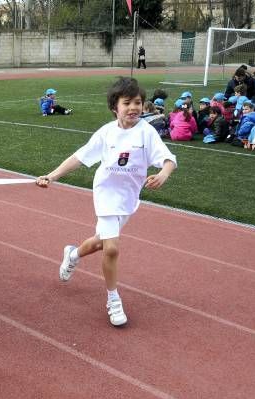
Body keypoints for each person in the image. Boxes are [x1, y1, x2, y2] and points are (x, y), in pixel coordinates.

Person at [35, 77, 177, 327]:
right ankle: (113, 299)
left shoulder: (147, 132)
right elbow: (80, 156)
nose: (134, 108)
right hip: (105, 193)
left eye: (138, 103)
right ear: (115, 107)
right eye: (127, 103)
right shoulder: (106, 132)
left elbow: (168, 159)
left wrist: (163, 174)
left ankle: (73, 254)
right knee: (112, 248)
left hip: (129, 198)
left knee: (101, 242)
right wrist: (53, 175)